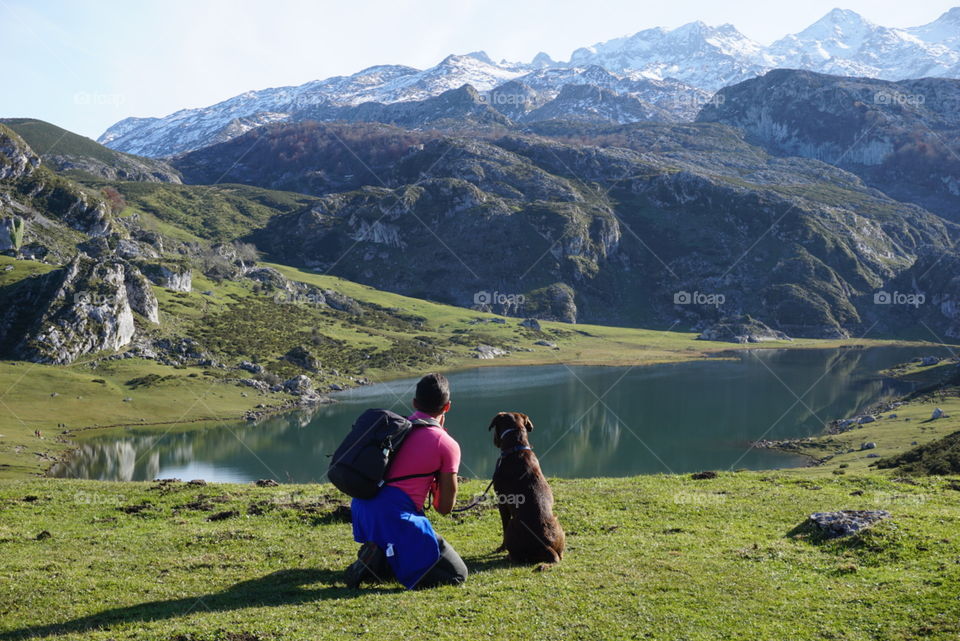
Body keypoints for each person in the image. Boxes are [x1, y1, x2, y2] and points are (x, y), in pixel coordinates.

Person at [345, 373, 468, 589]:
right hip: (395, 516)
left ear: (414, 403)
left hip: (362, 507)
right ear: (447, 407)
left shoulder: (393, 430)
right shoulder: (446, 443)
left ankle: (376, 555)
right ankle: (378, 566)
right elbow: (444, 508)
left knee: (404, 546)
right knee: (456, 574)